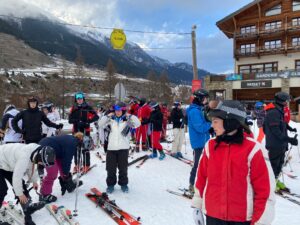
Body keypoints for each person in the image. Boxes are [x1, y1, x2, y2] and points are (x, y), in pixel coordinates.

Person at [192, 100, 276, 225]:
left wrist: (260, 222)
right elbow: (201, 178)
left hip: (241, 219)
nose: (212, 126)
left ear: (230, 122)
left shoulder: (253, 150)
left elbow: (265, 191)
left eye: (215, 122)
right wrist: (197, 206)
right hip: (213, 217)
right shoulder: (210, 146)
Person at [0, 143, 56, 225]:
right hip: (1, 161)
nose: (41, 164)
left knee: (21, 186)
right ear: (39, 156)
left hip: (7, 164)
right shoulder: (24, 156)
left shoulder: (35, 152)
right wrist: (19, 194)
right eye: (42, 162)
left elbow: (31, 166)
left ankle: (27, 207)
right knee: (2, 189)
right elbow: (17, 176)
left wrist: (34, 181)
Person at [98, 102, 140, 193]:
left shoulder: (127, 121)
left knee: (123, 168)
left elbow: (138, 123)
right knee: (110, 168)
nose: (117, 112)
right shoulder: (110, 120)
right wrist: (107, 116)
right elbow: (100, 124)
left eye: (120, 110)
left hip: (123, 148)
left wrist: (130, 115)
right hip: (111, 148)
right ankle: (110, 185)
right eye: (116, 110)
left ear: (123, 110)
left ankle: (124, 184)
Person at [264, 92, 298, 192]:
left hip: (280, 144)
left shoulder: (279, 111)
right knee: (274, 165)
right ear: (282, 101)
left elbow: (282, 123)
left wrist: (290, 128)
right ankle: (271, 183)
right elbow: (275, 130)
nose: (287, 103)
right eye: (286, 101)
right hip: (275, 144)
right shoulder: (273, 112)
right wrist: (289, 139)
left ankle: (275, 180)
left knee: (280, 164)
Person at [38, 133, 84, 203]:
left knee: (62, 165)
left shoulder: (72, 139)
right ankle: (44, 194)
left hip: (54, 150)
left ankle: (68, 183)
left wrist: (66, 175)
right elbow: (67, 160)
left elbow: (67, 157)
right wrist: (66, 173)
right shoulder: (72, 143)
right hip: (46, 149)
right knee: (52, 173)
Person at [186, 89, 211, 194]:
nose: (207, 100)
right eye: (206, 98)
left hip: (204, 140)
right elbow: (200, 127)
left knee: (205, 165)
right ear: (201, 98)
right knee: (197, 165)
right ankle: (192, 185)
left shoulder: (199, 109)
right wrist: (212, 123)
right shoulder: (194, 111)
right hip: (199, 143)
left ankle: (203, 184)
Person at [69, 92, 99, 173]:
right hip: (76, 131)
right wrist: (77, 121)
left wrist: (88, 121)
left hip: (86, 130)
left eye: (81, 98)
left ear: (83, 98)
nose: (79, 100)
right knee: (76, 149)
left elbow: (96, 116)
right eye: (78, 99)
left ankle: (86, 165)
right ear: (76, 99)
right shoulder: (73, 108)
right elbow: (69, 120)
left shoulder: (88, 107)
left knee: (85, 148)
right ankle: (77, 164)